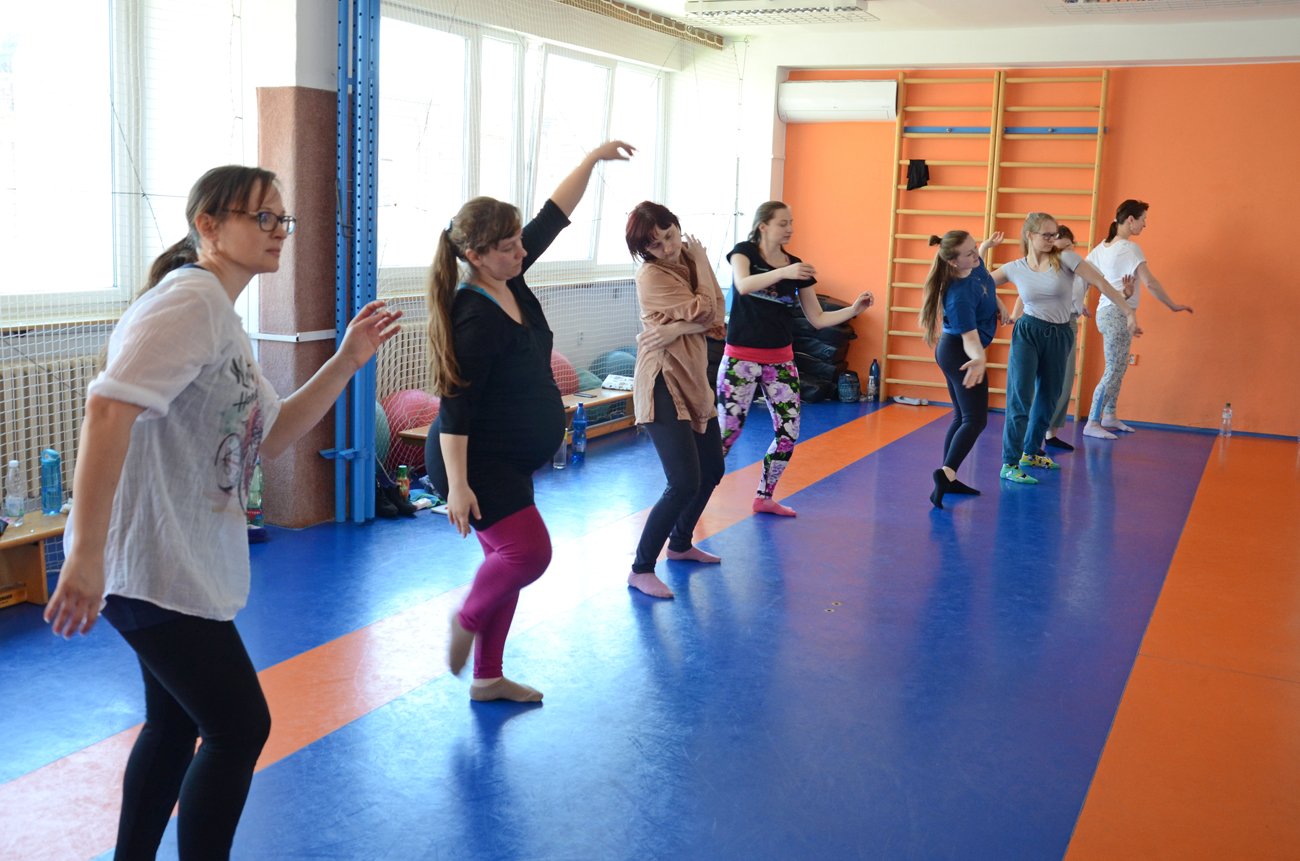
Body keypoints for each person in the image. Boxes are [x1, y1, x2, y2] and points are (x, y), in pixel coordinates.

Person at [42, 165, 402, 859]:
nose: (278, 231)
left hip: (180, 563)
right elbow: (107, 409)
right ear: (207, 225)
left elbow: (275, 432)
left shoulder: (221, 317)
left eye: (282, 219)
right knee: (239, 727)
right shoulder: (189, 302)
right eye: (261, 217)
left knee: (176, 725)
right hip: (152, 565)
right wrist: (83, 553)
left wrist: (348, 359)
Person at [425, 141, 634, 700]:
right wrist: (459, 487)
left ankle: (488, 678)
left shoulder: (509, 276)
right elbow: (454, 408)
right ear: (475, 255)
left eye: (519, 242)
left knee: (506, 566)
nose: (521, 251)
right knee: (528, 554)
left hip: (507, 461)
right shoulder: (474, 318)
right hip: (475, 463)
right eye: (508, 247)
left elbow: (553, 215)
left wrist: (590, 160)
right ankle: (466, 619)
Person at [718, 201, 873, 516]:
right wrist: (784, 272)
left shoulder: (797, 267)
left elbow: (818, 318)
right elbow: (743, 285)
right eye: (782, 223)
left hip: (780, 362)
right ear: (763, 226)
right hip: (741, 360)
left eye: (791, 222)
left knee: (788, 433)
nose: (789, 228)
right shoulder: (744, 253)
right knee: (727, 434)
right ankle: (695, 493)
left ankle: (764, 496)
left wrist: (853, 310)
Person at [623, 202, 727, 599]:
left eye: (669, 235)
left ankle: (680, 544)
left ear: (677, 227)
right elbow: (706, 309)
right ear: (643, 251)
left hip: (694, 378)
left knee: (712, 469)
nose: (667, 247)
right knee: (683, 482)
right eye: (655, 244)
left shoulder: (688, 258)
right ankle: (640, 569)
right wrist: (701, 262)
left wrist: (677, 329)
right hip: (662, 381)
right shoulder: (651, 275)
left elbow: (717, 316)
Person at [994, 212, 1139, 484]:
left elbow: (1101, 283)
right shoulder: (1015, 267)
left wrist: (1128, 311)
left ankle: (1030, 452)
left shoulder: (1067, 259)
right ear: (1030, 235)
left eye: (1055, 234)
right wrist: (999, 304)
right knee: (1020, 398)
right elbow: (980, 283)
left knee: (1049, 397)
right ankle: (1009, 463)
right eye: (1047, 235)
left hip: (1060, 335)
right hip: (1028, 332)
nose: (1053, 239)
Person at [1083, 200, 1193, 439]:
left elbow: (1083, 274)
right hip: (1116, 313)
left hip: (1108, 313)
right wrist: (1172, 305)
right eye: (1143, 219)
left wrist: (1078, 301)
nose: (1145, 224)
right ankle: (1092, 421)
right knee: (1114, 368)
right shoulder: (1130, 248)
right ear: (1130, 220)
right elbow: (1150, 282)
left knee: (1120, 365)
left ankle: (1109, 414)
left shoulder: (1102, 247)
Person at [918, 229, 1006, 509]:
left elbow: (987, 282)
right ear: (954, 262)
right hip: (960, 353)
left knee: (962, 415)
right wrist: (979, 358)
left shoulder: (973, 265)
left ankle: (950, 475)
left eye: (976, 247)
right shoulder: (958, 296)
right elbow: (969, 338)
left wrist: (1000, 305)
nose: (976, 254)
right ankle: (945, 474)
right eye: (970, 253)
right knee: (975, 419)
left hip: (957, 351)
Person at [1041, 225, 1089, 451]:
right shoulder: (1048, 267)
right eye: (1059, 249)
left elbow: (1095, 286)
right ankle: (1032, 435)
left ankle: (1051, 433)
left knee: (1064, 382)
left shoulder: (1080, 267)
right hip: (1047, 325)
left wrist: (1080, 306)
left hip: (1069, 324)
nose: (1065, 253)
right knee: (1043, 382)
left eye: (1068, 247)